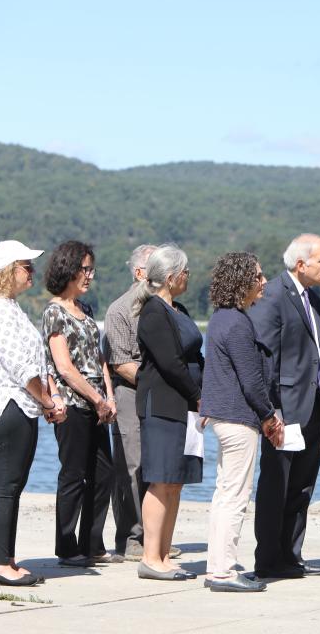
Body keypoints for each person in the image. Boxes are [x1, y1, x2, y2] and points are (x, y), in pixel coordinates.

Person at [0, 240, 66, 586]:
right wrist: (49, 402)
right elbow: (22, 367)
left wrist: (46, 398)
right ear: (9, 270)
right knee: (4, 486)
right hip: (6, 406)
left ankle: (3, 556)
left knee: (9, 485)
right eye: (26, 266)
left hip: (17, 406)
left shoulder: (7, 308)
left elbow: (32, 363)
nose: (32, 272)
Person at [248, 233, 320, 579]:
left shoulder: (311, 298)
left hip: (314, 406)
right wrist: (272, 412)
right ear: (301, 265)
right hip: (285, 410)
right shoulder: (272, 296)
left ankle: (291, 554)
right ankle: (268, 559)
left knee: (302, 485)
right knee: (277, 483)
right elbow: (265, 360)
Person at [201, 252, 282, 592]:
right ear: (241, 281)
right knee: (235, 496)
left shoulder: (221, 318)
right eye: (258, 276)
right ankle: (222, 573)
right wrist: (269, 416)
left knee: (224, 495)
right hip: (238, 418)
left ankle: (218, 565)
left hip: (223, 416)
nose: (264, 281)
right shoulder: (237, 323)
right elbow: (250, 380)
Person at [43, 240, 117, 568]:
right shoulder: (54, 311)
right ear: (69, 270)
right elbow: (64, 367)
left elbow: (99, 358)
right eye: (85, 269)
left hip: (97, 403)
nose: (90, 275)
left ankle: (90, 541)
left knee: (104, 475)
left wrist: (109, 397)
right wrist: (97, 398)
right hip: (73, 404)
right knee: (73, 474)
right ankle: (66, 545)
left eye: (91, 269)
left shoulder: (85, 310)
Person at [133, 244, 203, 581]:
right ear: (172, 277)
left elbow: (193, 356)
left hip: (185, 407)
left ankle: (164, 552)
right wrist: (197, 394)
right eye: (186, 272)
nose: (189, 277)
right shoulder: (152, 312)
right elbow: (170, 363)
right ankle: (150, 556)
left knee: (176, 482)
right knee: (160, 480)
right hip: (162, 404)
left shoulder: (180, 310)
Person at [103, 244, 162, 562]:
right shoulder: (119, 310)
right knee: (132, 465)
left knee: (158, 465)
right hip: (128, 393)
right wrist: (160, 382)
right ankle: (130, 537)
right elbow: (121, 363)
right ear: (140, 272)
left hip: (161, 396)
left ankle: (154, 535)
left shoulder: (166, 306)